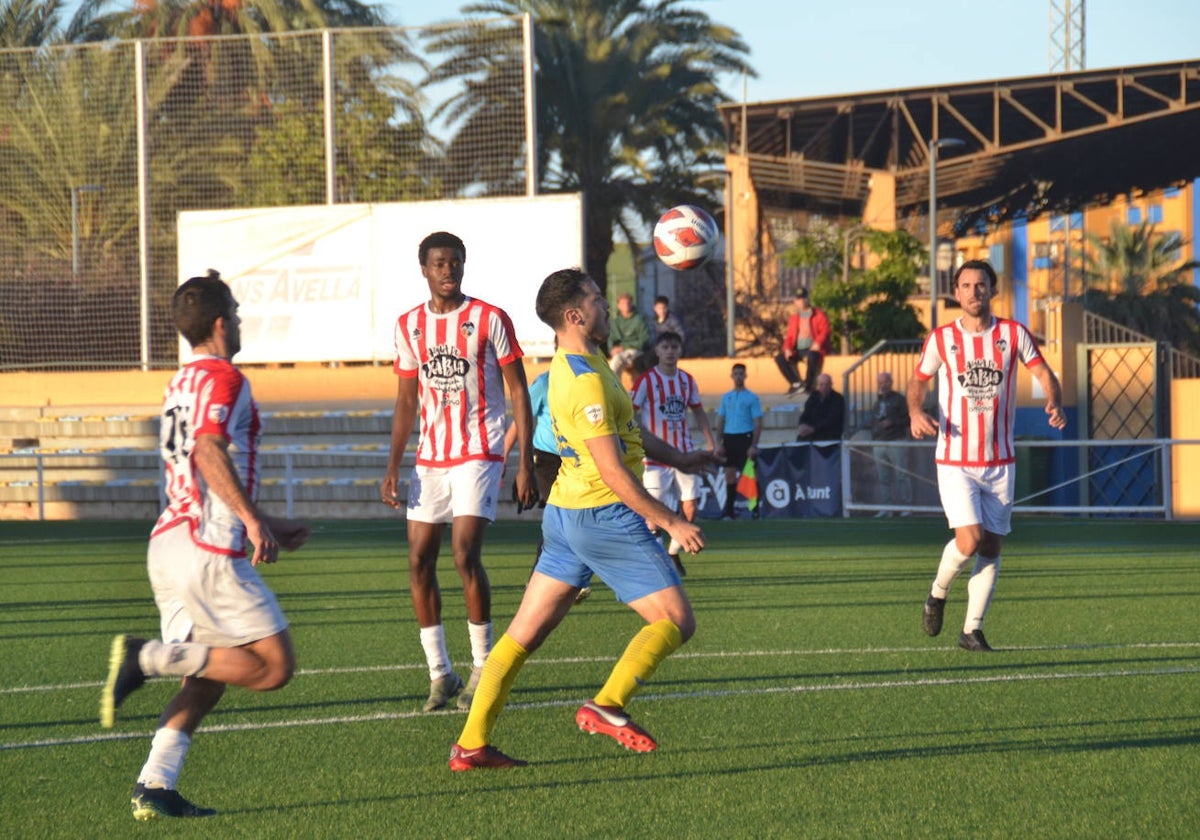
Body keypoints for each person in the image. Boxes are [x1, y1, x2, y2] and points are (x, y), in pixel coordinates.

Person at [447, 267, 717, 770]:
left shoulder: (585, 365)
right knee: (676, 620)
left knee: (521, 637)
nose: (605, 306)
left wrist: (681, 461)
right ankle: (607, 704)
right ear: (574, 315)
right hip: (603, 515)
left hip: (566, 516)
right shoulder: (585, 381)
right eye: (595, 299)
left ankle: (470, 744)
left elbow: (625, 437)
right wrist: (671, 521)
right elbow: (612, 470)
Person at [100, 270, 311, 821]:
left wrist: (264, 519)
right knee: (272, 667)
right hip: (207, 546)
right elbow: (209, 450)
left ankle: (155, 784)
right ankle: (146, 657)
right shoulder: (225, 378)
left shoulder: (179, 382)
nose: (239, 322)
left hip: (168, 543)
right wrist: (249, 519)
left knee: (209, 675)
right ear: (221, 324)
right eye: (236, 315)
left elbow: (202, 457)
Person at [381, 231, 537, 713]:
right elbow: (407, 399)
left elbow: (518, 390)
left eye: (454, 262)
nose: (447, 270)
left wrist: (524, 460)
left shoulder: (490, 319)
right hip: (431, 457)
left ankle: (482, 667)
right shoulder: (408, 326)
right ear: (423, 269)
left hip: (481, 449)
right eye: (438, 263)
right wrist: (392, 465)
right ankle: (440, 675)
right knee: (418, 560)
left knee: (464, 553)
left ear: (464, 266)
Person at [908, 259, 1066, 653]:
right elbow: (918, 381)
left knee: (993, 547)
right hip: (955, 459)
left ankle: (971, 631)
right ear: (956, 292)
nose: (974, 292)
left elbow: (1044, 372)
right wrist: (914, 411)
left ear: (991, 290)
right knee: (970, 540)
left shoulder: (1012, 334)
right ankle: (938, 592)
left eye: (981, 285)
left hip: (1000, 461)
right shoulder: (942, 339)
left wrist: (1054, 400)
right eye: (966, 285)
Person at [631, 331, 719, 576]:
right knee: (653, 511)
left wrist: (711, 442)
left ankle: (672, 552)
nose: (670, 351)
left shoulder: (687, 380)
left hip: (686, 454)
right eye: (665, 347)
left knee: (690, 507)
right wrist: (637, 441)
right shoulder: (646, 381)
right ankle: (658, 562)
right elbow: (630, 411)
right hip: (655, 457)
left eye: (674, 347)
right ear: (657, 351)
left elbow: (699, 412)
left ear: (680, 351)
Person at [502, 364, 592, 603]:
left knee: (575, 519)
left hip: (579, 458)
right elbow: (520, 420)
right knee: (560, 517)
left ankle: (567, 580)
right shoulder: (544, 383)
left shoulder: (588, 380)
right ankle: (543, 580)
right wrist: (503, 457)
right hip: (548, 460)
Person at [714, 362, 763, 520]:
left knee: (749, 475)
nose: (738, 377)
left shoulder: (752, 397)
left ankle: (755, 509)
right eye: (736, 374)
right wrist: (718, 442)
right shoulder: (726, 397)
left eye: (741, 374)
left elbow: (757, 421)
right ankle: (729, 511)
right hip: (729, 438)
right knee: (729, 475)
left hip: (745, 437)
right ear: (732, 376)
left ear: (745, 376)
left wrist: (754, 445)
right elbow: (720, 419)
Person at [774, 288, 831, 396]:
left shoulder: (818, 314)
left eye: (804, 298)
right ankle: (796, 384)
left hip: (813, 348)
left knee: (813, 356)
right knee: (780, 358)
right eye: (799, 299)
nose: (802, 301)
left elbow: (825, 330)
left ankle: (809, 385)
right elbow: (790, 336)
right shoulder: (794, 318)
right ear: (795, 301)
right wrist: (787, 349)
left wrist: (818, 343)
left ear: (808, 299)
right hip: (798, 350)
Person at [871, 371, 911, 515]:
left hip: (896, 441)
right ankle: (886, 508)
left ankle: (907, 507)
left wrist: (892, 422)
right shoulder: (877, 402)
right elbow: (873, 420)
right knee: (883, 477)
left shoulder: (899, 399)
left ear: (891, 382)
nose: (883, 385)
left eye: (885, 382)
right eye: (880, 382)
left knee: (901, 475)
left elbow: (908, 419)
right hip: (879, 443)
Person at [608, 293, 651, 381]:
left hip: (636, 351)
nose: (626, 305)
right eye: (623, 303)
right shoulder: (615, 321)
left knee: (617, 360)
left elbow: (644, 340)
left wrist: (624, 347)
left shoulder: (640, 319)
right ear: (618, 305)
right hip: (619, 353)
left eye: (628, 303)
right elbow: (611, 338)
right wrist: (612, 349)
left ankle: (614, 387)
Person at [796, 372, 845, 441]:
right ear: (817, 385)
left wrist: (813, 429)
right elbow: (806, 413)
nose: (824, 387)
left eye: (827, 384)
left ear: (831, 385)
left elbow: (832, 420)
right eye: (821, 384)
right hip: (811, 433)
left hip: (828, 434)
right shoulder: (814, 396)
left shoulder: (837, 398)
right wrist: (801, 424)